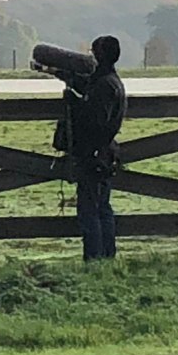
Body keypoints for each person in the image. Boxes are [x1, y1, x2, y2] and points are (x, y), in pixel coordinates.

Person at [66, 35, 127, 261]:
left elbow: (95, 120)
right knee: (103, 208)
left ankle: (94, 258)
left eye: (94, 52)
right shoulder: (111, 81)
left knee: (90, 211)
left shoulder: (104, 85)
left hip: (94, 154)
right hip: (104, 153)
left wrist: (74, 104)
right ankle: (107, 257)